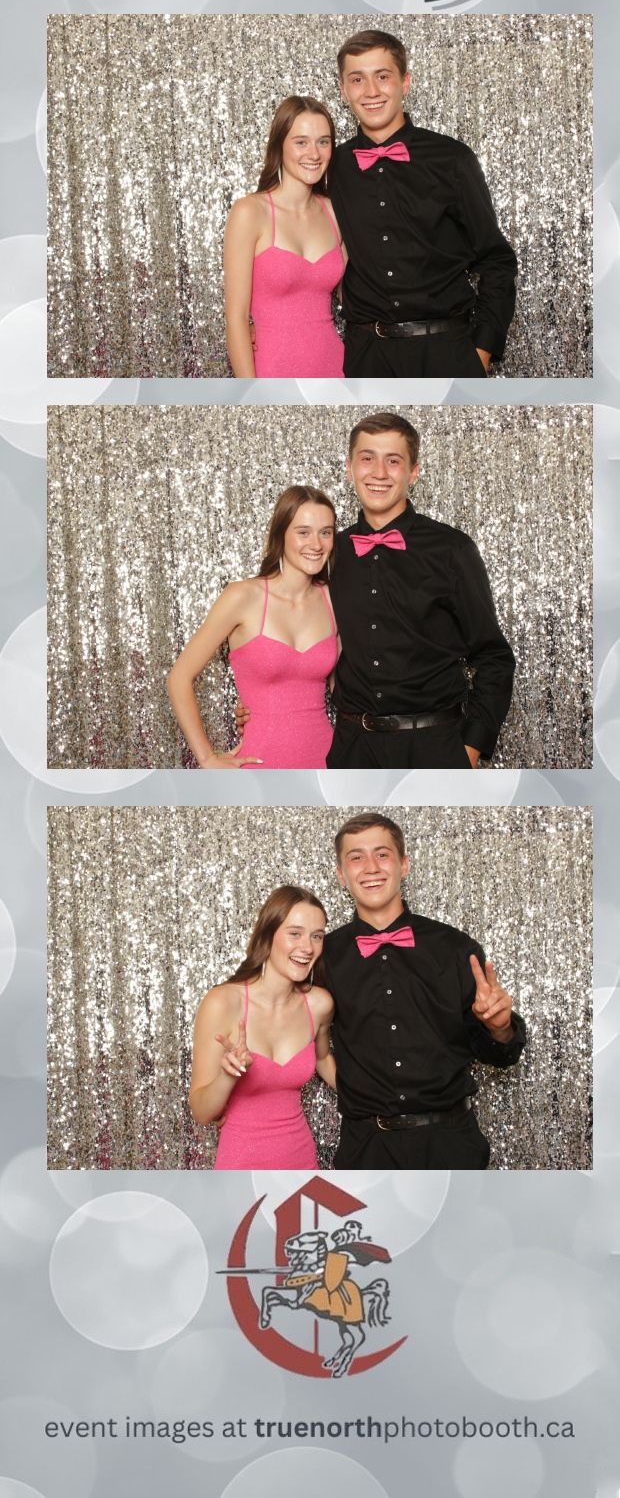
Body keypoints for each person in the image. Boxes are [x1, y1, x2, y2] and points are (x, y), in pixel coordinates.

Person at [323, 813, 526, 1169]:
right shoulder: (323, 957)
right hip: (366, 1150)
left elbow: (501, 1056)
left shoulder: (456, 949)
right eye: (356, 857)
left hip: (450, 1144)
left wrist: (499, 1028)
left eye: (382, 854)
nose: (370, 867)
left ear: (404, 865)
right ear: (341, 875)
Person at [325, 411, 515, 770]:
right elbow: (300, 633)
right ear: (350, 468)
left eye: (393, 461)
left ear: (413, 472)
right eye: (367, 458)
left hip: (434, 747)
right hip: (352, 749)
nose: (379, 472)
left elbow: (494, 658)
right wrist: (267, 701)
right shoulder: (330, 553)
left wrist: (470, 749)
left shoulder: (452, 550)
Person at [330, 29, 518, 379]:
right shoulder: (331, 166)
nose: (371, 91)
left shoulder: (453, 159)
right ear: (343, 90)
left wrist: (480, 352)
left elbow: (497, 261)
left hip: (447, 352)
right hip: (366, 356)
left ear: (405, 82)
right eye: (357, 79)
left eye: (382, 76)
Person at [166, 486, 339, 769]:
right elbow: (178, 678)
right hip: (259, 764)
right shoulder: (242, 597)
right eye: (303, 532)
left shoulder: (334, 599)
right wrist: (207, 758)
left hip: (327, 762)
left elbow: (347, 692)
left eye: (325, 532)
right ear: (281, 535)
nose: (316, 544)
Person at [189, 885, 336, 1169]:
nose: (308, 947)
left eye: (316, 936)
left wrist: (376, 1101)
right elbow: (200, 1112)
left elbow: (322, 1059)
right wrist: (228, 1075)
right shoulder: (222, 1002)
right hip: (240, 1171)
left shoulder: (319, 1004)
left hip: (301, 1165)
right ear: (268, 935)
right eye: (295, 933)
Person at [224, 96, 346, 378]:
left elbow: (360, 298)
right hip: (271, 372)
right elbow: (236, 319)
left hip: (335, 369)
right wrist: (251, 393)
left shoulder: (335, 212)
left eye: (323, 142)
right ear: (279, 146)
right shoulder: (250, 212)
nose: (314, 154)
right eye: (301, 142)